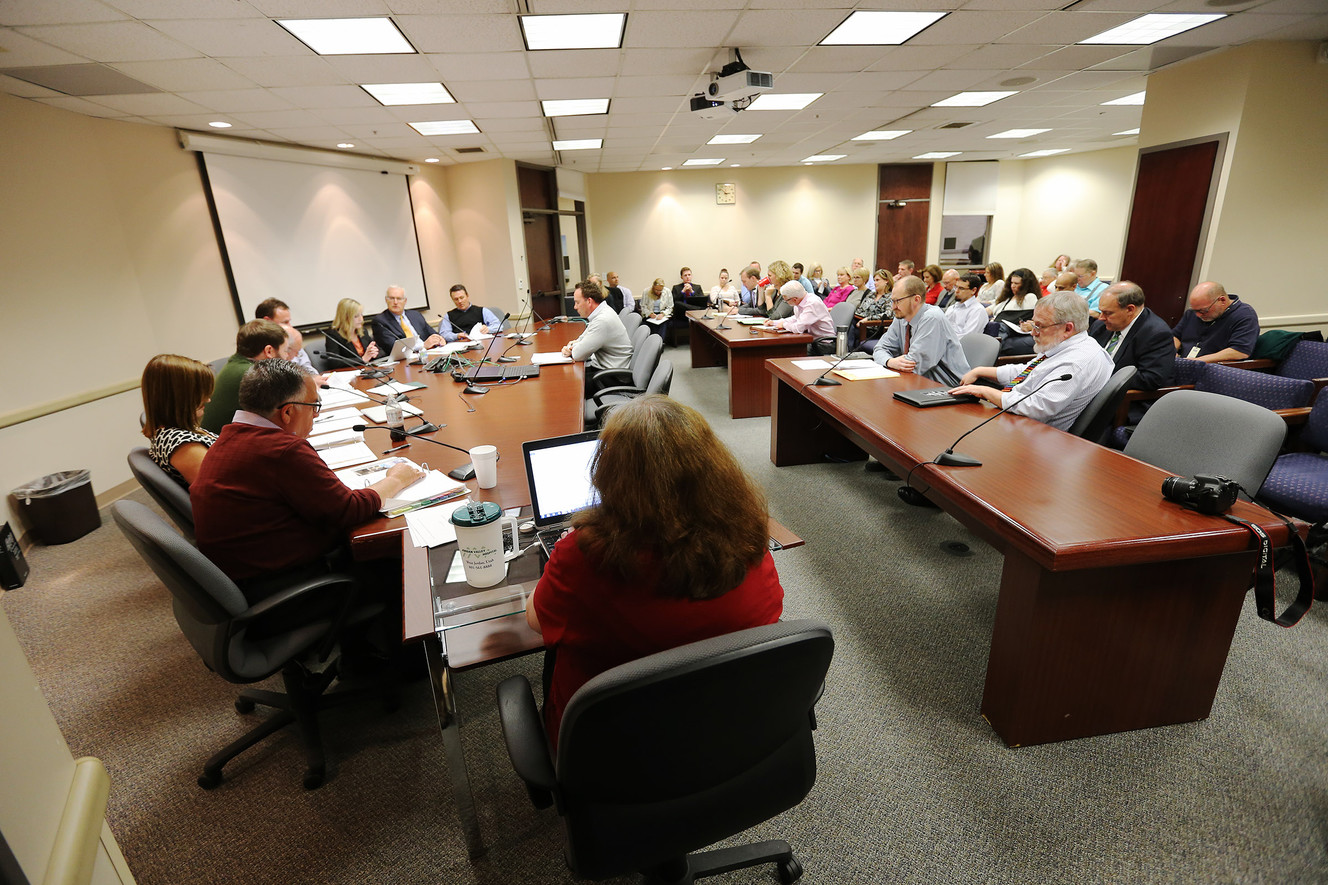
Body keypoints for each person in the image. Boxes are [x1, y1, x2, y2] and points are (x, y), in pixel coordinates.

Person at [525, 394, 783, 742]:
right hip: (730, 729)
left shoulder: (584, 554)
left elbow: (536, 621)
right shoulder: (748, 530)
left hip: (616, 751)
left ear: (607, 474)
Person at [192, 359, 422, 593]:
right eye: (313, 406)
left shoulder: (231, 436)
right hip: (285, 583)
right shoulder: (281, 450)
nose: (315, 414)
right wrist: (396, 479)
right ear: (288, 412)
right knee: (405, 563)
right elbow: (348, 510)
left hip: (244, 575)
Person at [950, 291, 1114, 432]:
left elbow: (1035, 407)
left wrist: (985, 391)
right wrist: (980, 371)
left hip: (1033, 433)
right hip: (1017, 417)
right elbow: (1028, 371)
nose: (1033, 333)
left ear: (1067, 328)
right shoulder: (1065, 345)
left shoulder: (1076, 363)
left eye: (1039, 326)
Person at [873, 275, 971, 386]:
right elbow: (879, 349)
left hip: (948, 387)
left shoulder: (932, 318)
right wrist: (889, 361)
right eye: (892, 301)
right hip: (919, 382)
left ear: (916, 299)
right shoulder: (901, 316)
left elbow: (913, 366)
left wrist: (892, 362)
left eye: (897, 301)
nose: (893, 307)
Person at [200, 319, 290, 434]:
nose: (287, 356)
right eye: (285, 351)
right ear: (269, 351)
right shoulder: (256, 376)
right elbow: (284, 419)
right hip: (227, 446)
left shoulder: (236, 364)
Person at [141, 354, 217, 488]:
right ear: (181, 398)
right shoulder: (183, 446)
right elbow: (222, 495)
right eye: (200, 393)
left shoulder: (176, 431)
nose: (207, 399)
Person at [1091, 281, 1175, 392]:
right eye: (1101, 311)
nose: (1101, 318)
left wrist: (1100, 376)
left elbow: (1151, 379)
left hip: (1126, 399)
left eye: (1108, 313)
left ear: (1130, 309)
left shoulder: (1156, 334)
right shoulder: (1100, 326)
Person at [560, 279, 633, 392]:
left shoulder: (602, 320)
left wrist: (572, 349)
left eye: (577, 302)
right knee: (568, 378)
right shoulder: (602, 312)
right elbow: (581, 339)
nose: (575, 307)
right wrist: (573, 346)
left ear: (589, 301)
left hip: (614, 377)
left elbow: (578, 354)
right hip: (608, 369)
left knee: (568, 386)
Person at [1171, 281, 1259, 362]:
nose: (1198, 315)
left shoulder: (1245, 316)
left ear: (1222, 300)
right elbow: (1176, 336)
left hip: (1214, 369)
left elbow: (1239, 352)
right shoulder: (1192, 313)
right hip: (1184, 364)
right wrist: (1169, 352)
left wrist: (1195, 362)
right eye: (1195, 310)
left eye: (1203, 311)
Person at [371, 285, 444, 353]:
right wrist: (423, 346)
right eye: (392, 298)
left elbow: (432, 333)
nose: (395, 302)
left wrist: (440, 339)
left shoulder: (415, 315)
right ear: (386, 300)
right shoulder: (380, 321)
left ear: (405, 301)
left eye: (399, 299)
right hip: (406, 360)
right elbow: (393, 348)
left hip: (427, 353)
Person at [768, 279, 834, 353]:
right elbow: (796, 318)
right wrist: (774, 323)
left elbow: (798, 328)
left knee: (788, 351)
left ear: (794, 299)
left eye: (786, 300)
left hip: (823, 345)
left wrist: (784, 325)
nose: (785, 302)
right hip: (812, 340)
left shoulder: (812, 303)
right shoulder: (800, 301)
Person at [255, 298, 316, 374]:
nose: (290, 326)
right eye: (285, 322)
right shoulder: (258, 351)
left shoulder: (291, 338)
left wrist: (314, 377)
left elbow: (307, 366)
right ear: (267, 321)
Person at [324, 297, 381, 366]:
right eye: (356, 316)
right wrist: (362, 359)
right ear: (345, 317)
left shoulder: (362, 331)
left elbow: (381, 351)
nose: (361, 319)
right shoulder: (333, 335)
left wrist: (374, 354)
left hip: (368, 370)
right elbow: (334, 362)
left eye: (361, 314)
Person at [439, 284, 503, 341]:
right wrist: (456, 336)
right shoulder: (449, 315)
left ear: (467, 296)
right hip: (460, 345)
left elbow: (499, 326)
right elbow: (444, 334)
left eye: (462, 297)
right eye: (456, 299)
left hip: (482, 343)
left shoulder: (482, 310)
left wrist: (488, 329)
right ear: (452, 300)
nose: (460, 301)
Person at [854, 269, 894, 350]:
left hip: (874, 327)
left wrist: (868, 319)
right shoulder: (871, 294)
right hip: (860, 322)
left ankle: (847, 350)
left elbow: (888, 314)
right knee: (847, 326)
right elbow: (860, 309)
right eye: (874, 280)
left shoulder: (890, 297)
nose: (875, 283)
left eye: (878, 280)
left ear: (886, 281)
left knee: (849, 330)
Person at [945, 273, 989, 339]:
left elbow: (967, 338)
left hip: (963, 347)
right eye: (956, 287)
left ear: (973, 290)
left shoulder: (977, 310)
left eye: (961, 288)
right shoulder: (952, 308)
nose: (956, 291)